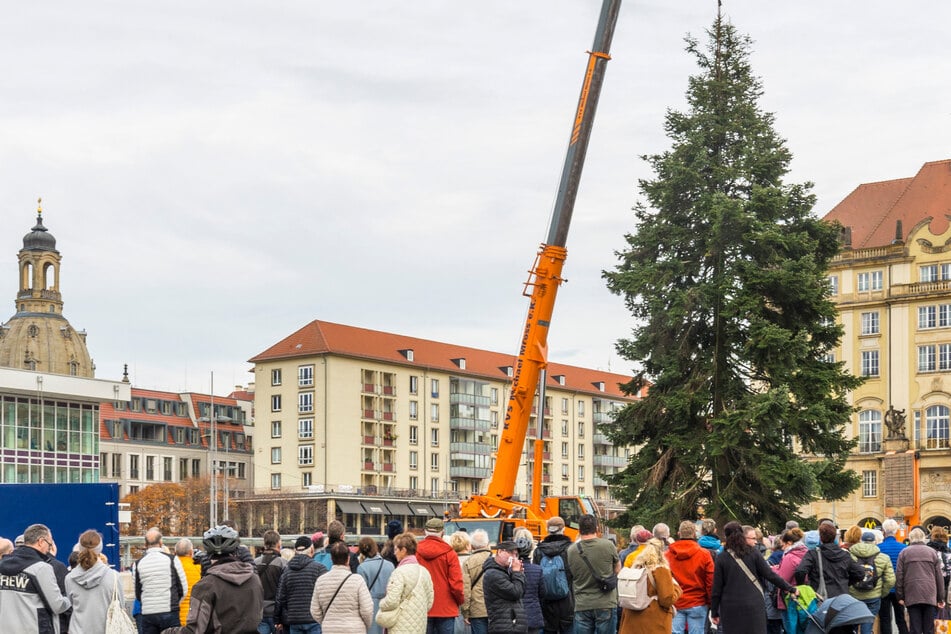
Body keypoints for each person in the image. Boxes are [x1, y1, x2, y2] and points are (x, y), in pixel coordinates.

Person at [162, 524, 264, 634]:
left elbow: (194, 630)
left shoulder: (205, 586)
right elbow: (258, 615)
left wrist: (169, 632)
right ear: (236, 551)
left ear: (208, 555)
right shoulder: (254, 580)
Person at [711, 522, 797, 633]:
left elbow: (716, 588)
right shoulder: (753, 553)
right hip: (754, 604)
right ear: (742, 536)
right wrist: (791, 588)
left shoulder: (722, 558)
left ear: (726, 537)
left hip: (730, 607)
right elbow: (770, 575)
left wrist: (714, 612)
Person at [0, 523, 71, 632]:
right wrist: (69, 599)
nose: (49, 548)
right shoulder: (41, 568)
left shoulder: (2, 565)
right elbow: (57, 606)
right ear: (41, 542)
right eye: (49, 544)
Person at [566, 513, 620, 634]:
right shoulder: (608, 545)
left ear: (579, 530)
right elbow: (617, 570)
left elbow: (572, 574)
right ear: (597, 528)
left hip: (582, 603)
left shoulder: (571, 550)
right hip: (606, 602)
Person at [65, 530, 122, 634]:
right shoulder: (114, 576)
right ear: (100, 548)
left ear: (80, 548)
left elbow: (69, 606)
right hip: (106, 630)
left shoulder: (70, 578)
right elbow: (121, 606)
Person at [377, 532, 435, 634]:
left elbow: (392, 601)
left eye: (396, 549)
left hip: (399, 625)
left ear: (403, 550)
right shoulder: (424, 571)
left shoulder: (399, 572)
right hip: (419, 624)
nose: (394, 553)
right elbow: (429, 602)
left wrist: (381, 603)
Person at [618, 539, 679, 634]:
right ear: (661, 552)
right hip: (653, 623)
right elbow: (667, 599)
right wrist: (676, 589)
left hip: (631, 621)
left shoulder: (635, 568)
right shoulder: (660, 570)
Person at [310, 541, 373, 632]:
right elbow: (367, 610)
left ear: (331, 559)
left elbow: (314, 610)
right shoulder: (358, 580)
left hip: (330, 629)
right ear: (348, 559)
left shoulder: (320, 581)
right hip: (354, 629)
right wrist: (364, 625)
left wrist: (326, 621)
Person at [135, 527, 188, 634]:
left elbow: (137, 592)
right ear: (161, 542)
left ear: (145, 544)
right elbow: (183, 588)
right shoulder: (172, 560)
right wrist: (175, 603)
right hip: (169, 611)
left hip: (148, 613)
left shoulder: (138, 563)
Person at [417, 517, 465, 634]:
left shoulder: (416, 551)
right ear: (443, 533)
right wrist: (460, 601)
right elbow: (456, 583)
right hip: (446, 607)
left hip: (422, 606)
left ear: (425, 532)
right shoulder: (450, 553)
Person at [665, 520, 714, 634]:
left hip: (676, 601)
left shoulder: (667, 555)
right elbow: (710, 581)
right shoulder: (704, 554)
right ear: (694, 534)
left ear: (679, 533)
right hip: (698, 602)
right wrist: (710, 602)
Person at [795, 521, 866, 598]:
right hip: (841, 595)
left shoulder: (813, 554)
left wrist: (803, 586)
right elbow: (860, 573)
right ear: (835, 536)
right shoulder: (845, 555)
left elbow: (800, 571)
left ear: (820, 537)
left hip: (820, 596)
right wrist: (845, 583)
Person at [896, 527, 946, 634]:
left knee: (915, 627)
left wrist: (900, 596)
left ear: (910, 538)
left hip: (912, 593)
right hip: (930, 594)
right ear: (924, 538)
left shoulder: (904, 553)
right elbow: (939, 577)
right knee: (929, 628)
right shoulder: (932, 552)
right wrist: (940, 597)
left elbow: (899, 576)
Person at [275, 535, 327, 634]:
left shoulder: (287, 570)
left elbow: (281, 597)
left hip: (294, 620)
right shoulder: (319, 569)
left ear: (295, 551)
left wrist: (278, 619)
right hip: (314, 619)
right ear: (311, 550)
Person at [532, 516, 575, 634]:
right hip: (568, 600)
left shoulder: (539, 550)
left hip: (546, 602)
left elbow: (537, 575)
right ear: (563, 529)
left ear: (547, 530)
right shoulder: (571, 548)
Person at [849, 530, 895, 634]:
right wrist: (882, 593)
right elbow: (891, 580)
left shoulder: (849, 556)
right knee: (867, 624)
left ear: (861, 541)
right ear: (875, 542)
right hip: (873, 597)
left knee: (852, 623)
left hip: (853, 596)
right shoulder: (884, 557)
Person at [482, 540, 527, 633]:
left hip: (512, 625)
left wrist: (520, 574)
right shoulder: (493, 574)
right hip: (504, 627)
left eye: (516, 554)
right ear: (499, 552)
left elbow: (522, 591)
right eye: (510, 553)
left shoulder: (506, 571)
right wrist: (517, 573)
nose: (513, 557)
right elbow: (516, 593)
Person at [358, 536, 395, 634]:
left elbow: (361, 593)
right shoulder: (390, 565)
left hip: (370, 607)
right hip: (388, 606)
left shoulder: (362, 568)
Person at [255, 530, 287, 634]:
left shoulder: (255, 563)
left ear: (264, 544)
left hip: (260, 611)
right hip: (277, 613)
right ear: (278, 543)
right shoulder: (283, 564)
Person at [514, 529, 545, 634]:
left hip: (515, 617)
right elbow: (543, 593)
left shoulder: (508, 570)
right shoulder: (538, 569)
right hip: (533, 616)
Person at [463, 529, 492, 634]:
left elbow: (466, 590)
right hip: (495, 608)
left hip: (477, 609)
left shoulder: (468, 562)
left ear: (472, 546)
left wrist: (466, 612)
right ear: (487, 543)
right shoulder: (496, 560)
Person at [175, 539, 202, 627]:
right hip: (193, 616)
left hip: (175, 616)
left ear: (175, 552)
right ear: (191, 552)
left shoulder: (171, 568)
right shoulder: (199, 569)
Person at [926, 526, 951, 599]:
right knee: (944, 605)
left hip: (932, 581)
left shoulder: (929, 550)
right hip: (946, 581)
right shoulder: (948, 551)